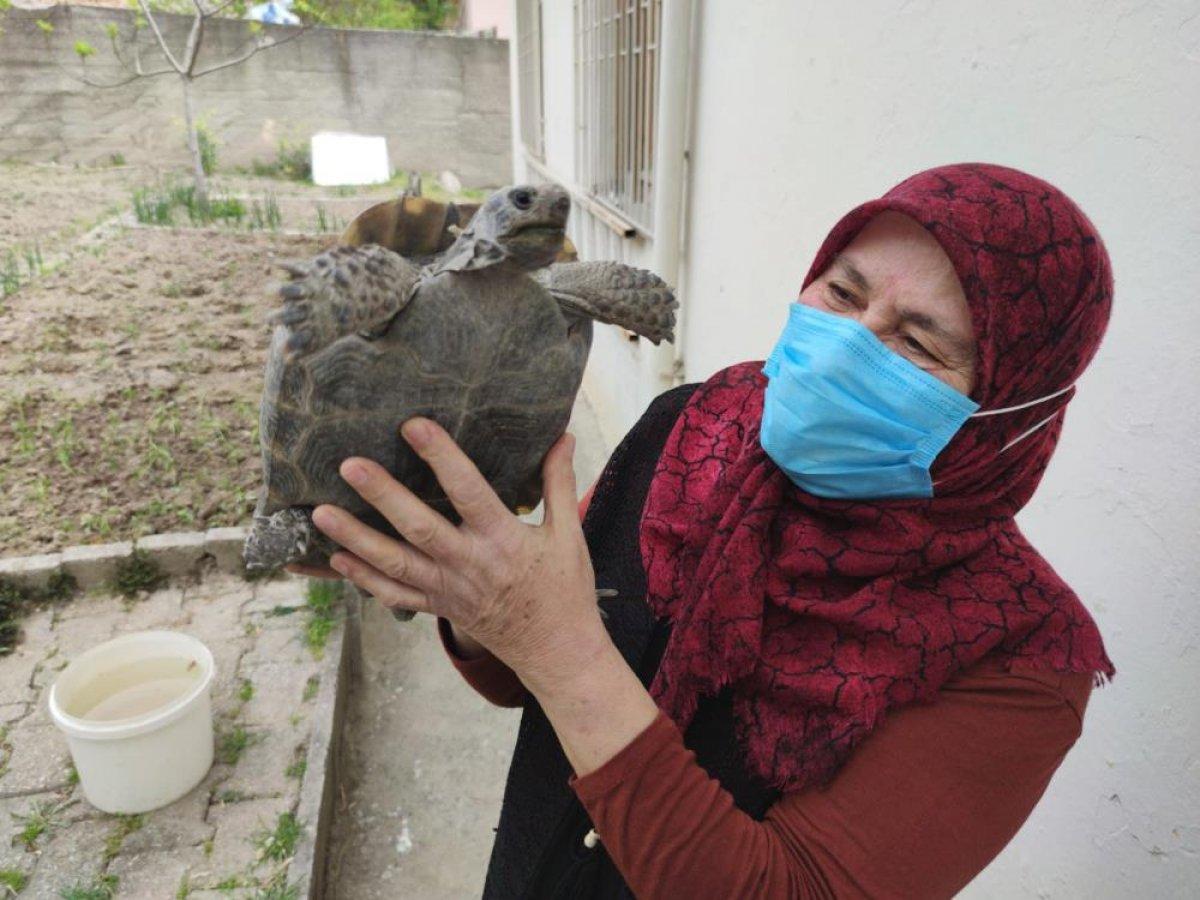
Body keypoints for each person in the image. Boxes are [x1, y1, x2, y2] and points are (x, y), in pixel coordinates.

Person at [289, 162, 1115, 898]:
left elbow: (792, 888)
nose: (844, 348)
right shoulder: (693, 425)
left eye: (917, 342)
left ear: (1013, 411)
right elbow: (520, 664)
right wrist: (469, 596)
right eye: (842, 293)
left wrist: (552, 644)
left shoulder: (1020, 661)